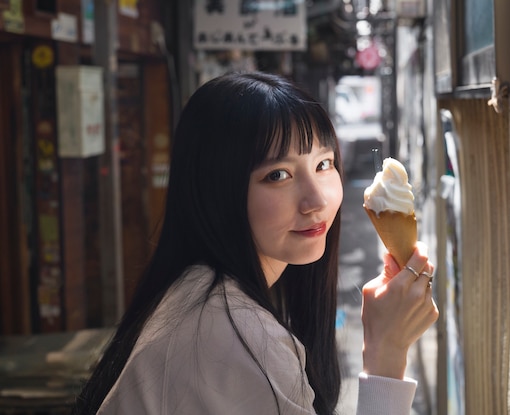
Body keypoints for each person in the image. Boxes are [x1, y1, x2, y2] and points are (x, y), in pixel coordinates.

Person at [72, 71, 438, 415]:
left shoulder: (202, 297)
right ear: (217, 191)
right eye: (278, 175)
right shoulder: (232, 336)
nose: (317, 201)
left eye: (324, 164)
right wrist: (386, 350)